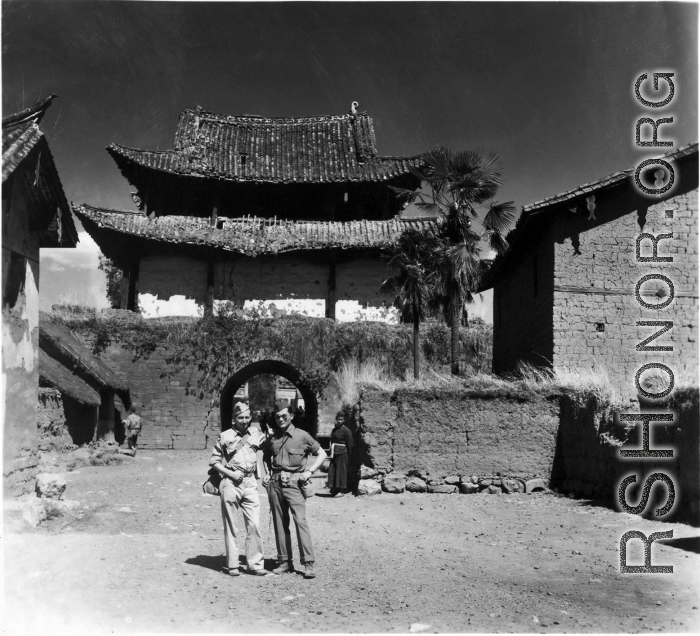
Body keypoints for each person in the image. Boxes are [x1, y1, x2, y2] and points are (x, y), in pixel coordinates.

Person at [262, 404, 327, 579]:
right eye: (277, 417)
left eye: (284, 416)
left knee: (300, 522)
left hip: (294, 484)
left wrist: (309, 472)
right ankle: (284, 561)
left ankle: (308, 563)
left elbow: (322, 454)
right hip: (275, 484)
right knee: (279, 523)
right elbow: (266, 455)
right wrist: (267, 473)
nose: (280, 419)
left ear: (291, 415)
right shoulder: (273, 437)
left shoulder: (302, 436)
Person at [210, 402, 271, 577]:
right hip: (231, 482)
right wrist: (230, 473)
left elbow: (269, 450)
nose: (244, 421)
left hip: (251, 482)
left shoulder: (257, 434)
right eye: (240, 417)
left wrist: (267, 471)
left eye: (246, 417)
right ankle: (233, 564)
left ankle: (256, 564)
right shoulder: (225, 436)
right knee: (231, 525)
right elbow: (214, 462)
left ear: (250, 418)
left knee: (254, 524)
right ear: (234, 419)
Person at [326, 410, 354, 497]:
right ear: (336, 419)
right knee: (333, 471)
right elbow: (332, 440)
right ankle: (335, 488)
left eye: (342, 419)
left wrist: (349, 455)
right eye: (338, 419)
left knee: (341, 472)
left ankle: (342, 490)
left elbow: (350, 444)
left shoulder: (346, 430)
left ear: (344, 420)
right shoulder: (335, 429)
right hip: (335, 453)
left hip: (343, 454)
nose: (340, 421)